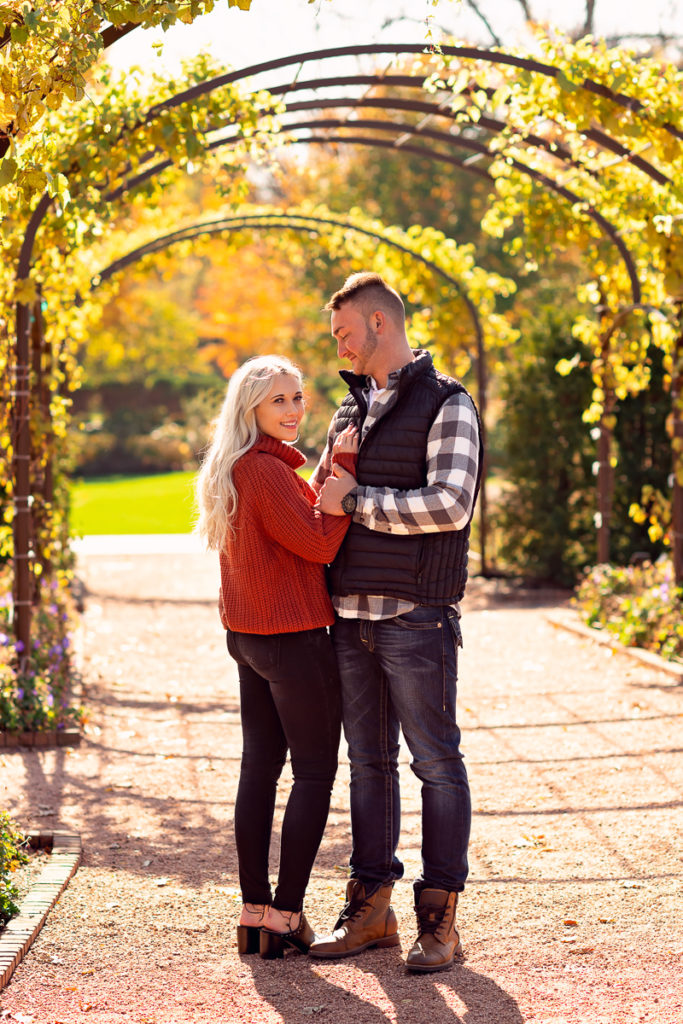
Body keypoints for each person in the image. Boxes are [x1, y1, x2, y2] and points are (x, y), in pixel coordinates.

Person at [308, 272, 483, 973]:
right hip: (349, 615)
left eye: (344, 333)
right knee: (368, 764)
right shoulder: (346, 412)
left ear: (379, 324)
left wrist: (357, 502)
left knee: (435, 764)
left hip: (415, 615)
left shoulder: (448, 403)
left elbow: (450, 504)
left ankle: (438, 920)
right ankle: (370, 909)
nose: (339, 347)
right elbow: (321, 496)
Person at [195, 355, 358, 960]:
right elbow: (316, 539)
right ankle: (288, 914)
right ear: (251, 410)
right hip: (292, 639)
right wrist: (344, 487)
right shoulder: (264, 472)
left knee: (259, 770)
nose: (294, 410)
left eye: (297, 397)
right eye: (279, 401)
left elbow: (297, 517)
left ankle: (254, 910)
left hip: (250, 638)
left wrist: (325, 473)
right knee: (314, 771)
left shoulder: (237, 466)